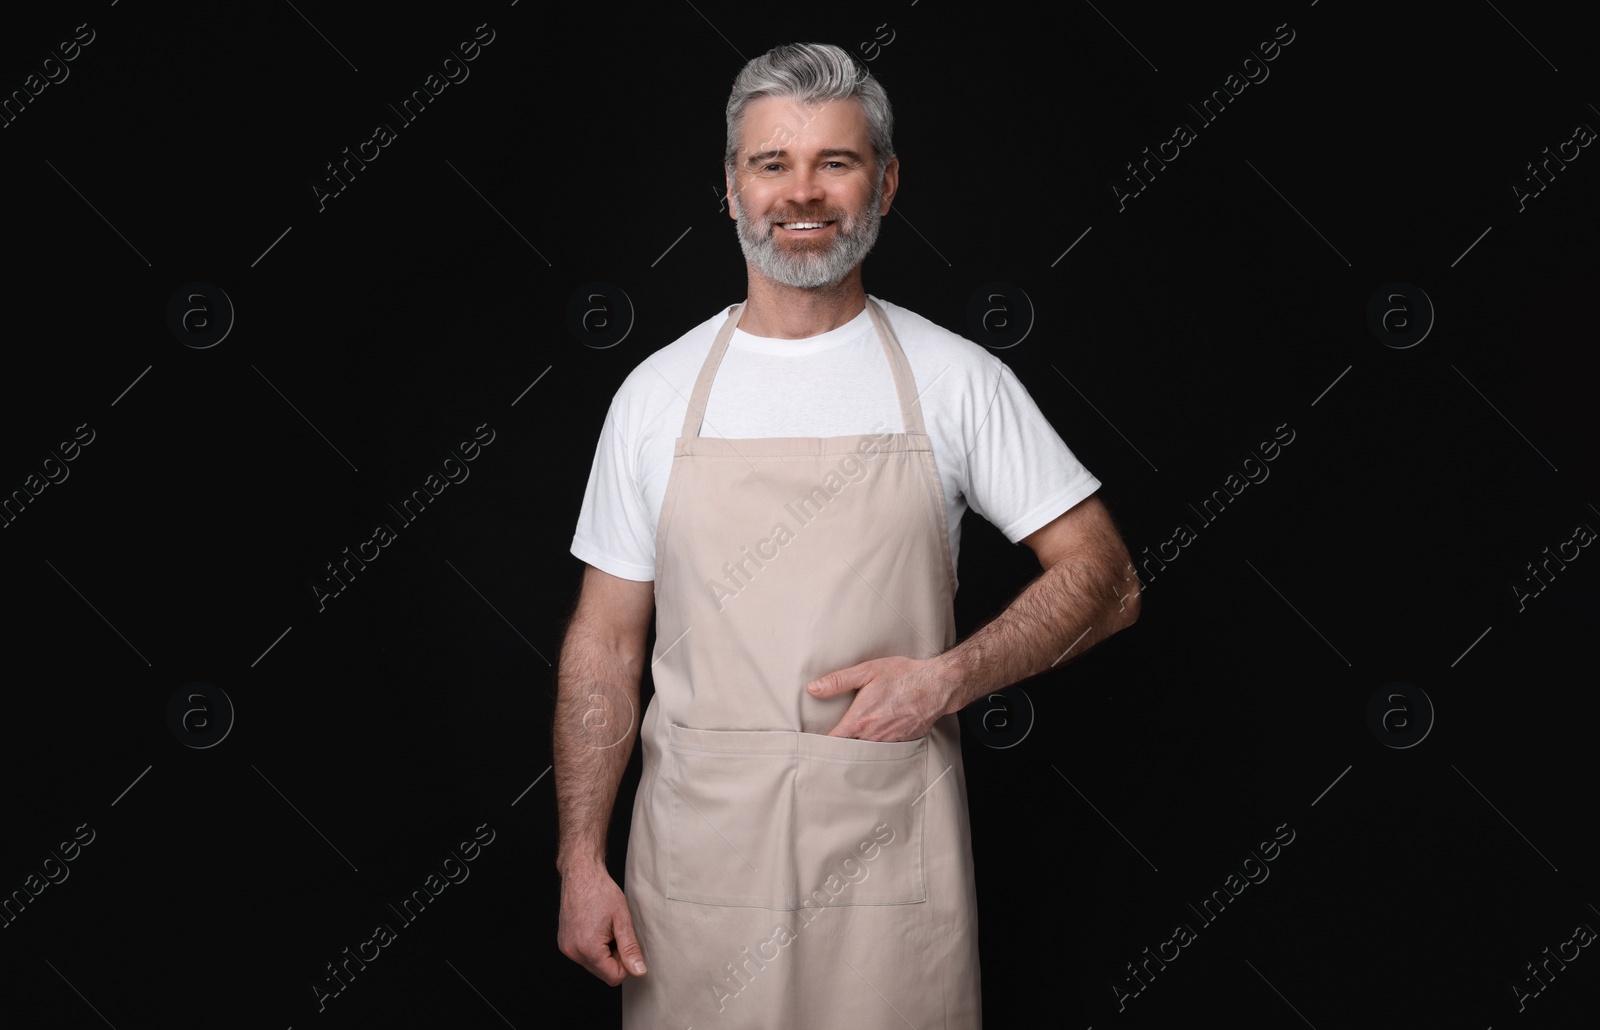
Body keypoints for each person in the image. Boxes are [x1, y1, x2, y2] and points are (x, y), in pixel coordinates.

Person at [554, 42, 1140, 1028]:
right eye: (770, 164)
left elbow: (1108, 580)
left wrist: (950, 677)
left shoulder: (957, 381)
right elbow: (607, 640)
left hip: (885, 858)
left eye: (836, 161)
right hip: (697, 868)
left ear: (887, 182)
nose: (802, 193)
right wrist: (578, 857)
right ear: (729, 190)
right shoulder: (654, 394)